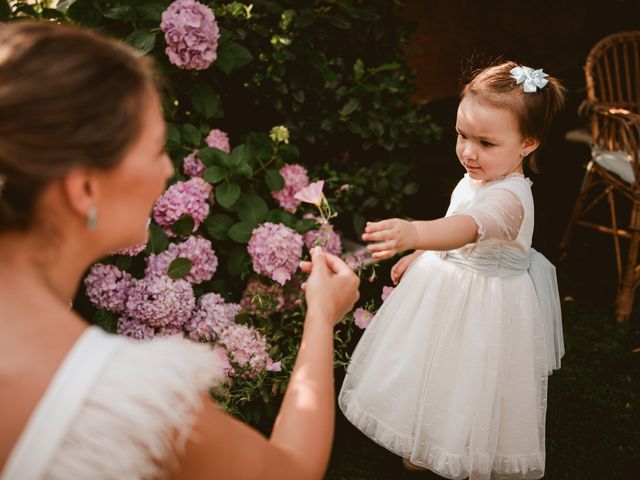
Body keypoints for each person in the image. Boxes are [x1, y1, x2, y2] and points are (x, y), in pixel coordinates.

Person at [0, 21, 360, 480]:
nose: (168, 167)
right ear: (85, 188)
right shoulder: (123, 397)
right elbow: (290, 473)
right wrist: (320, 316)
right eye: (154, 149)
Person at [338, 62, 566, 480]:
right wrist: (424, 255)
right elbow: (456, 231)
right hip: (449, 285)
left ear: (528, 143)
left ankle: (455, 444)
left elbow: (464, 227)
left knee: (468, 377)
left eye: (485, 142)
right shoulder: (478, 176)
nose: (468, 152)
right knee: (429, 363)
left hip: (485, 305)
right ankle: (422, 433)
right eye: (462, 135)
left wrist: (414, 234)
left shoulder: (511, 199)